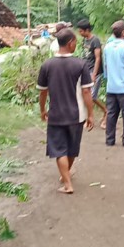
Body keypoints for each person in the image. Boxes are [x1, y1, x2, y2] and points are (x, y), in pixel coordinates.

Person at [37, 28, 95, 194]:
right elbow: (86, 92)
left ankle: (67, 182)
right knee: (71, 149)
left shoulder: (47, 65)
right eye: (75, 42)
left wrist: (43, 110)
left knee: (59, 150)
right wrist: (90, 114)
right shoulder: (80, 64)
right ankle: (66, 177)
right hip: (76, 115)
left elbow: (43, 92)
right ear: (70, 43)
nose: (76, 45)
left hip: (56, 115)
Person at [76, 19, 108, 129]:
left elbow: (98, 58)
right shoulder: (85, 41)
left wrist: (94, 74)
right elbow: (85, 56)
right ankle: (88, 117)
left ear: (87, 30)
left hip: (94, 72)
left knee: (92, 96)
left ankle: (105, 110)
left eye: (81, 31)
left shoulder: (95, 41)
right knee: (85, 95)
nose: (79, 33)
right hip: (85, 71)